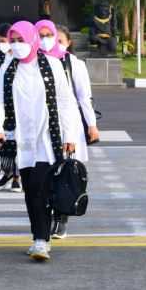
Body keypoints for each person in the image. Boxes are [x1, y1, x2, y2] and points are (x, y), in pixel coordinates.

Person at [0, 21, 77, 261]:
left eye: (21, 40)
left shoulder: (52, 65)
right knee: (31, 190)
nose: (17, 45)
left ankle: (42, 239)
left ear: (32, 40)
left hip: (47, 138)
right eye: (13, 40)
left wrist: (69, 135)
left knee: (41, 187)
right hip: (20, 139)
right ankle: (39, 236)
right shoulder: (9, 67)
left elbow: (66, 102)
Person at [36, 21, 97, 239]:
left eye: (57, 39)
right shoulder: (33, 62)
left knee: (65, 175)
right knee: (46, 175)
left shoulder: (74, 64)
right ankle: (46, 217)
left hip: (68, 125)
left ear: (67, 43)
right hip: (43, 126)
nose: (49, 42)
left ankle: (61, 218)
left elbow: (83, 98)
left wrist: (91, 125)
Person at [0, 23, 21, 192]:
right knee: (4, 143)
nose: (2, 44)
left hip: (19, 106)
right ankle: (8, 171)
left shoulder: (20, 58)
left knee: (17, 144)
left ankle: (17, 176)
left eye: (4, 40)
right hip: (4, 105)